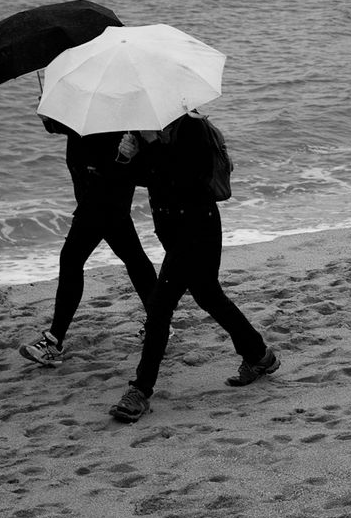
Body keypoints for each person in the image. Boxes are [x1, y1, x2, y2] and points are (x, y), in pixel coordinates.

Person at [109, 112, 280, 423]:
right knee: (208, 295)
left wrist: (151, 144)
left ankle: (141, 391)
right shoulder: (147, 130)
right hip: (173, 233)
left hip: (198, 228)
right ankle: (259, 356)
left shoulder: (191, 129)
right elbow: (145, 177)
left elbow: (187, 179)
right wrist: (126, 157)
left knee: (159, 309)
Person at [19, 119, 158, 366]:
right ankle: (159, 324)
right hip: (95, 196)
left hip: (105, 195)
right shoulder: (86, 107)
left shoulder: (124, 113)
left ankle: (54, 341)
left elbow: (146, 168)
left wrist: (134, 154)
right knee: (133, 258)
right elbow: (62, 125)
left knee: (72, 259)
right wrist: (49, 116)